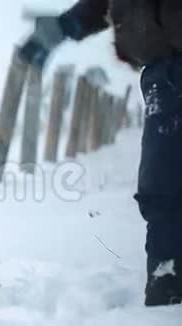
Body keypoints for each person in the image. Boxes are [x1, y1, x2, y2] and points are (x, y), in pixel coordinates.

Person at [19, 0, 182, 306]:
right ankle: (168, 283)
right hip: (163, 70)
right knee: (163, 186)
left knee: (165, 184)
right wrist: (64, 27)